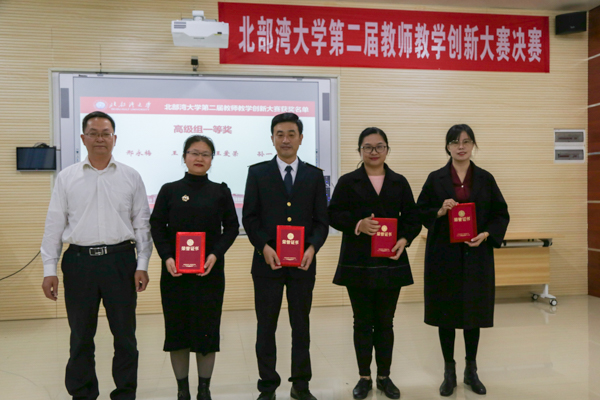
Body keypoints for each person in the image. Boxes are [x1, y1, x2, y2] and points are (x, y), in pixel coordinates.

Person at [40, 111, 152, 400]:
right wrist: (49, 269)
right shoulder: (67, 178)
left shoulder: (131, 176)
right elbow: (54, 225)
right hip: (79, 264)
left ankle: (125, 393)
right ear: (83, 138)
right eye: (93, 133)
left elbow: (142, 225)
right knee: (80, 337)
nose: (100, 138)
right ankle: (83, 394)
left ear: (114, 138)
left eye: (105, 133)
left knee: (125, 336)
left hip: (121, 262)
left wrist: (142, 264)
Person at [327, 127, 421, 400]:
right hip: (358, 261)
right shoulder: (348, 181)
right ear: (360, 151)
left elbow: (413, 218)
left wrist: (404, 239)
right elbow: (333, 214)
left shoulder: (399, 182)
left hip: (391, 259)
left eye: (379, 146)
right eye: (367, 147)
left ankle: (384, 376)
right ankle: (364, 377)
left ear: (387, 149)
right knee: (362, 322)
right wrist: (358, 224)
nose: (374, 152)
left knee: (385, 322)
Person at [416, 124, 509, 396]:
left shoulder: (485, 178)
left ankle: (471, 370)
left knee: (473, 314)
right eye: (455, 142)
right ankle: (449, 371)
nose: (461, 146)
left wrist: (486, 234)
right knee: (446, 314)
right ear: (447, 146)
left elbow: (501, 213)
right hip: (443, 256)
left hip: (476, 255)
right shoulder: (435, 179)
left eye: (466, 141)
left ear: (473, 145)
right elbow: (420, 212)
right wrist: (439, 211)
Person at [242, 113, 329, 400]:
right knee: (266, 326)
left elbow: (321, 221)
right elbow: (250, 217)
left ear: (301, 138)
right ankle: (268, 386)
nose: (286, 139)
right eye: (280, 134)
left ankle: (300, 385)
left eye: (292, 134)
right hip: (267, 264)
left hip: (303, 264)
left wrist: (312, 248)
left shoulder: (314, 175)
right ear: (272, 139)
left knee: (300, 326)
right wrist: (264, 246)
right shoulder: (258, 173)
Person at [150, 135, 239, 400]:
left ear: (212, 159)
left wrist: (215, 254)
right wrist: (167, 257)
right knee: (177, 331)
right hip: (175, 274)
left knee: (206, 332)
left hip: (209, 273)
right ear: (184, 157)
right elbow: (157, 226)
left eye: (205, 154)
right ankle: (182, 391)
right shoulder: (169, 190)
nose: (199, 158)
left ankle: (204, 390)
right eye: (194, 153)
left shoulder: (220, 191)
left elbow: (232, 227)